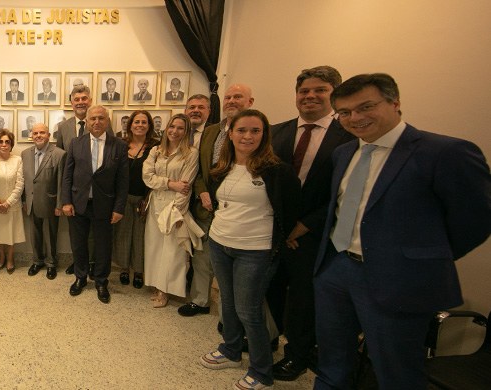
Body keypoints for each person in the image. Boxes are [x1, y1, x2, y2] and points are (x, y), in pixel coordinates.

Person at [313, 73, 491, 389]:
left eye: (366, 106)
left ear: (395, 102)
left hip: (398, 280)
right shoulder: (344, 153)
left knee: (396, 373)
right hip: (336, 270)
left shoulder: (443, 153)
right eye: (344, 112)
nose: (355, 118)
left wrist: (419, 258)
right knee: (332, 361)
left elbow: (476, 220)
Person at [199, 109, 300, 390]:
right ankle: (231, 349)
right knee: (227, 303)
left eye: (255, 131)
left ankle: (261, 370)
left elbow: (290, 211)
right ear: (230, 134)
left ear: (264, 135)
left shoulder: (277, 171)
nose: (247, 136)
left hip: (255, 251)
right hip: (220, 243)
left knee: (249, 310)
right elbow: (221, 205)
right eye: (242, 130)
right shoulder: (222, 168)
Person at [265, 66, 354, 382]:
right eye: (304, 91)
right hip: (275, 231)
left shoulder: (349, 137)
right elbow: (265, 182)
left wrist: (306, 224)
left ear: (334, 95)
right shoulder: (277, 132)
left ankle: (297, 356)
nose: (310, 96)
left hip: (314, 235)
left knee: (303, 299)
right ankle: (268, 340)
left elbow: (346, 192)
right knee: (271, 288)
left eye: (320, 90)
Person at [180, 88, 253, 318]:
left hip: (236, 209)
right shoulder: (212, 132)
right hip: (206, 206)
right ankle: (200, 300)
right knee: (202, 256)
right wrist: (202, 192)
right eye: (229, 97)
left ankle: (226, 314)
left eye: (237, 97)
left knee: (229, 264)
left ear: (250, 101)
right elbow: (199, 170)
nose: (231, 101)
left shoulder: (254, 132)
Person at [61, 105, 129, 304]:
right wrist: (66, 201)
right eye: (93, 119)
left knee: (103, 246)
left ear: (107, 121)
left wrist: (119, 208)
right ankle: (80, 277)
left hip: (105, 205)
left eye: (101, 118)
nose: (97, 122)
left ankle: (101, 280)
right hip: (78, 203)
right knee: (78, 244)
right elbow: (67, 176)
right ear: (87, 121)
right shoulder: (75, 143)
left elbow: (122, 182)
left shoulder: (119, 146)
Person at [142, 113, 201, 307]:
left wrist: (177, 210)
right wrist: (169, 183)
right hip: (155, 204)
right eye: (172, 127)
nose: (175, 131)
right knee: (154, 248)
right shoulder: (156, 151)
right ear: (167, 129)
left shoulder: (191, 153)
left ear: (186, 132)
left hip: (174, 207)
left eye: (180, 128)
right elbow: (147, 177)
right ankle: (156, 285)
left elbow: (186, 185)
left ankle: (165, 291)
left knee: (172, 253)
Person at [112, 110, 156, 288]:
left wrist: (148, 197)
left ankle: (138, 270)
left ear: (149, 126)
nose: (139, 125)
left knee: (140, 236)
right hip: (122, 197)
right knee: (122, 234)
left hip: (144, 198)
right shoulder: (121, 145)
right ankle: (124, 268)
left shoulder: (156, 147)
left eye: (143, 122)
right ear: (130, 125)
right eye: (136, 122)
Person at [22, 123, 66, 280]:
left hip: (50, 202)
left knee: (50, 235)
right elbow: (24, 180)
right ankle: (37, 261)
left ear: (48, 135)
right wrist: (24, 200)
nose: (38, 135)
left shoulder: (59, 154)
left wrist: (60, 204)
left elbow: (62, 181)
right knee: (35, 234)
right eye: (35, 133)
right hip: (31, 201)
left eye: (42, 133)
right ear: (31, 135)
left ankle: (51, 263)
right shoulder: (25, 154)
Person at [0, 130, 25, 274]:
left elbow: (20, 183)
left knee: (10, 233)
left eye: (7, 142)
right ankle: (1, 257)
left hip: (12, 204)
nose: (4, 145)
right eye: (0, 142)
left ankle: (10, 258)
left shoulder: (17, 160)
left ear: (11, 144)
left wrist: (8, 202)